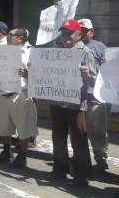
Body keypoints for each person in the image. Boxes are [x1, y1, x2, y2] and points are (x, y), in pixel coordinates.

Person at [46, 19, 96, 187]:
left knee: (78, 141)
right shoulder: (56, 51)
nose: (65, 36)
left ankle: (81, 177)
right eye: (63, 32)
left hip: (76, 106)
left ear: (79, 35)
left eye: (68, 33)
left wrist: (88, 74)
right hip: (57, 102)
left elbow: (94, 83)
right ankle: (60, 169)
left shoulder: (85, 52)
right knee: (58, 138)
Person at [0, 27, 38, 168]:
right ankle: (7, 152)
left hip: (20, 94)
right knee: (4, 126)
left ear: (20, 38)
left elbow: (40, 75)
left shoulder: (31, 52)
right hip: (3, 94)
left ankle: (22, 156)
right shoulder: (3, 50)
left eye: (11, 35)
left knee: (23, 127)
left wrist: (27, 74)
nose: (8, 37)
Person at [78, 18, 109, 171]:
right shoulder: (71, 47)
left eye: (85, 30)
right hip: (77, 94)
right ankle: (80, 156)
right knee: (79, 129)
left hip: (95, 94)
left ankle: (100, 156)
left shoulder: (100, 46)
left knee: (97, 128)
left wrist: (107, 62)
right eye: (80, 30)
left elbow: (111, 68)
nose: (82, 33)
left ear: (91, 32)